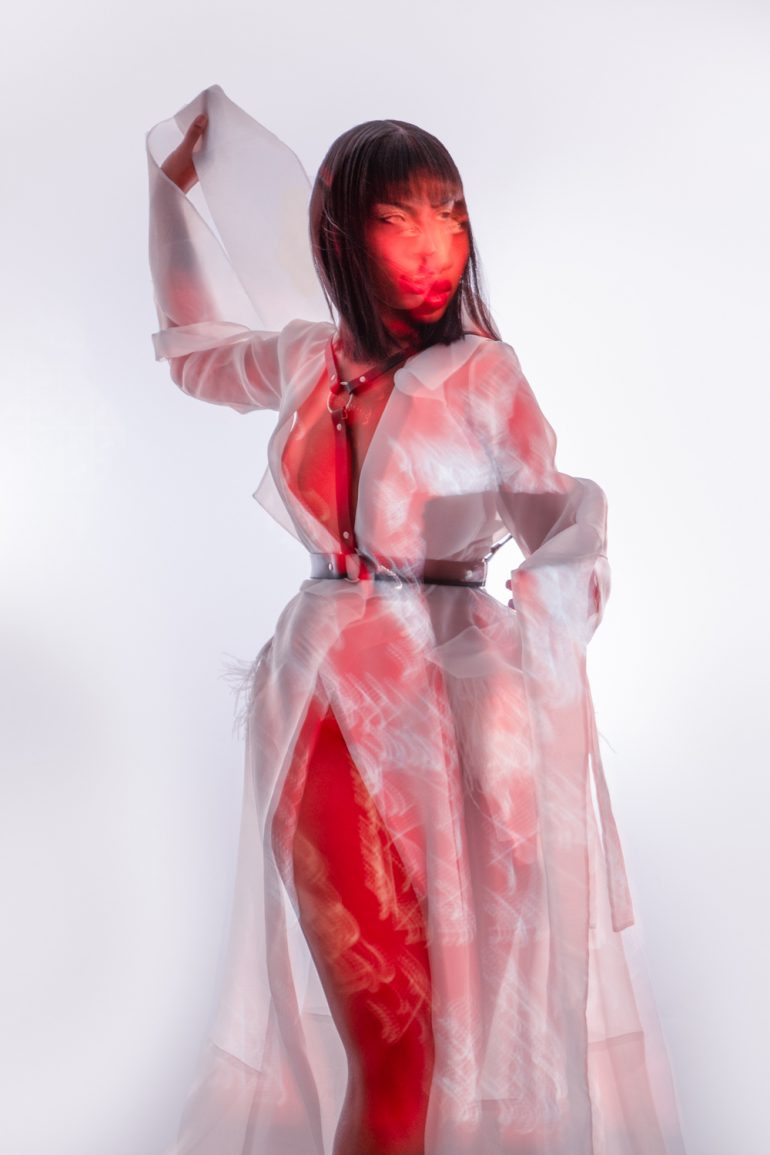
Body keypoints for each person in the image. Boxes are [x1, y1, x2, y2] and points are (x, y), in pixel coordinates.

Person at [147, 85, 687, 1155]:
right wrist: (170, 192)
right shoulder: (306, 358)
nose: (435, 246)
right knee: (389, 1037)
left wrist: (545, 605)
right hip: (313, 696)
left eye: (451, 215)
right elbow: (196, 352)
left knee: (445, 1037)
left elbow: (560, 520)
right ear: (340, 237)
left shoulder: (483, 377)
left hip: (449, 714)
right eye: (399, 219)